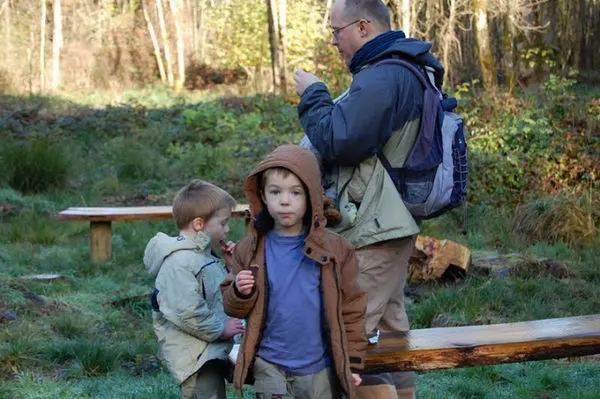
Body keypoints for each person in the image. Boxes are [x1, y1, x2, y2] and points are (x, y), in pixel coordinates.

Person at [293, 1, 445, 397]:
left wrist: (313, 94)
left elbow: (339, 140)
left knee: (344, 341)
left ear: (363, 27)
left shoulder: (384, 76)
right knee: (391, 336)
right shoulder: (399, 69)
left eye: (335, 30)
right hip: (388, 224)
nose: (333, 40)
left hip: (375, 230)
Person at [220, 144, 367, 399]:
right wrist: (239, 292)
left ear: (311, 196)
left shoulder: (336, 250)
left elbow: (352, 309)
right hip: (269, 365)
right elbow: (233, 307)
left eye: (295, 193)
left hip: (319, 369)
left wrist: (351, 362)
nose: (284, 201)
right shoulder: (250, 249)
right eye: (275, 192)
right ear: (263, 196)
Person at [143, 179, 245, 399]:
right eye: (223, 223)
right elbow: (186, 311)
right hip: (194, 356)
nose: (227, 229)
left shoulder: (202, 256)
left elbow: (215, 291)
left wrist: (231, 266)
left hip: (206, 351)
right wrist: (220, 329)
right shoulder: (179, 262)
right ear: (199, 224)